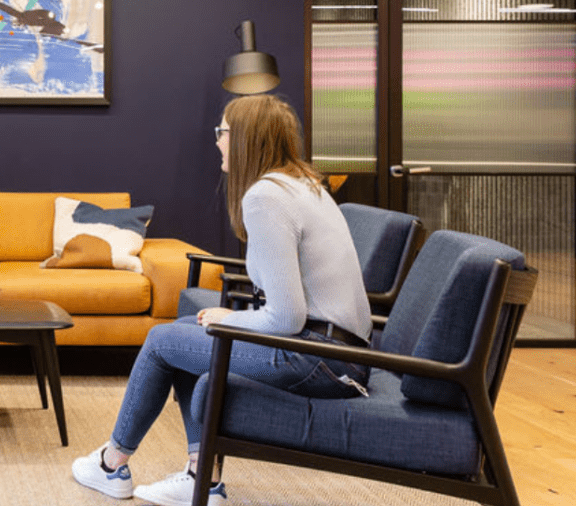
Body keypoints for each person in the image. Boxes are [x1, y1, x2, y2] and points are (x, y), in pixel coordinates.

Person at [71, 94, 372, 505]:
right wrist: (223, 320)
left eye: (223, 132)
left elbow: (286, 317)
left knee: (162, 340)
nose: (216, 141)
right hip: (339, 354)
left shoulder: (266, 197)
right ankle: (202, 479)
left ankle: (111, 463)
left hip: (317, 358)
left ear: (246, 138)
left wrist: (228, 318)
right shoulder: (303, 186)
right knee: (182, 335)